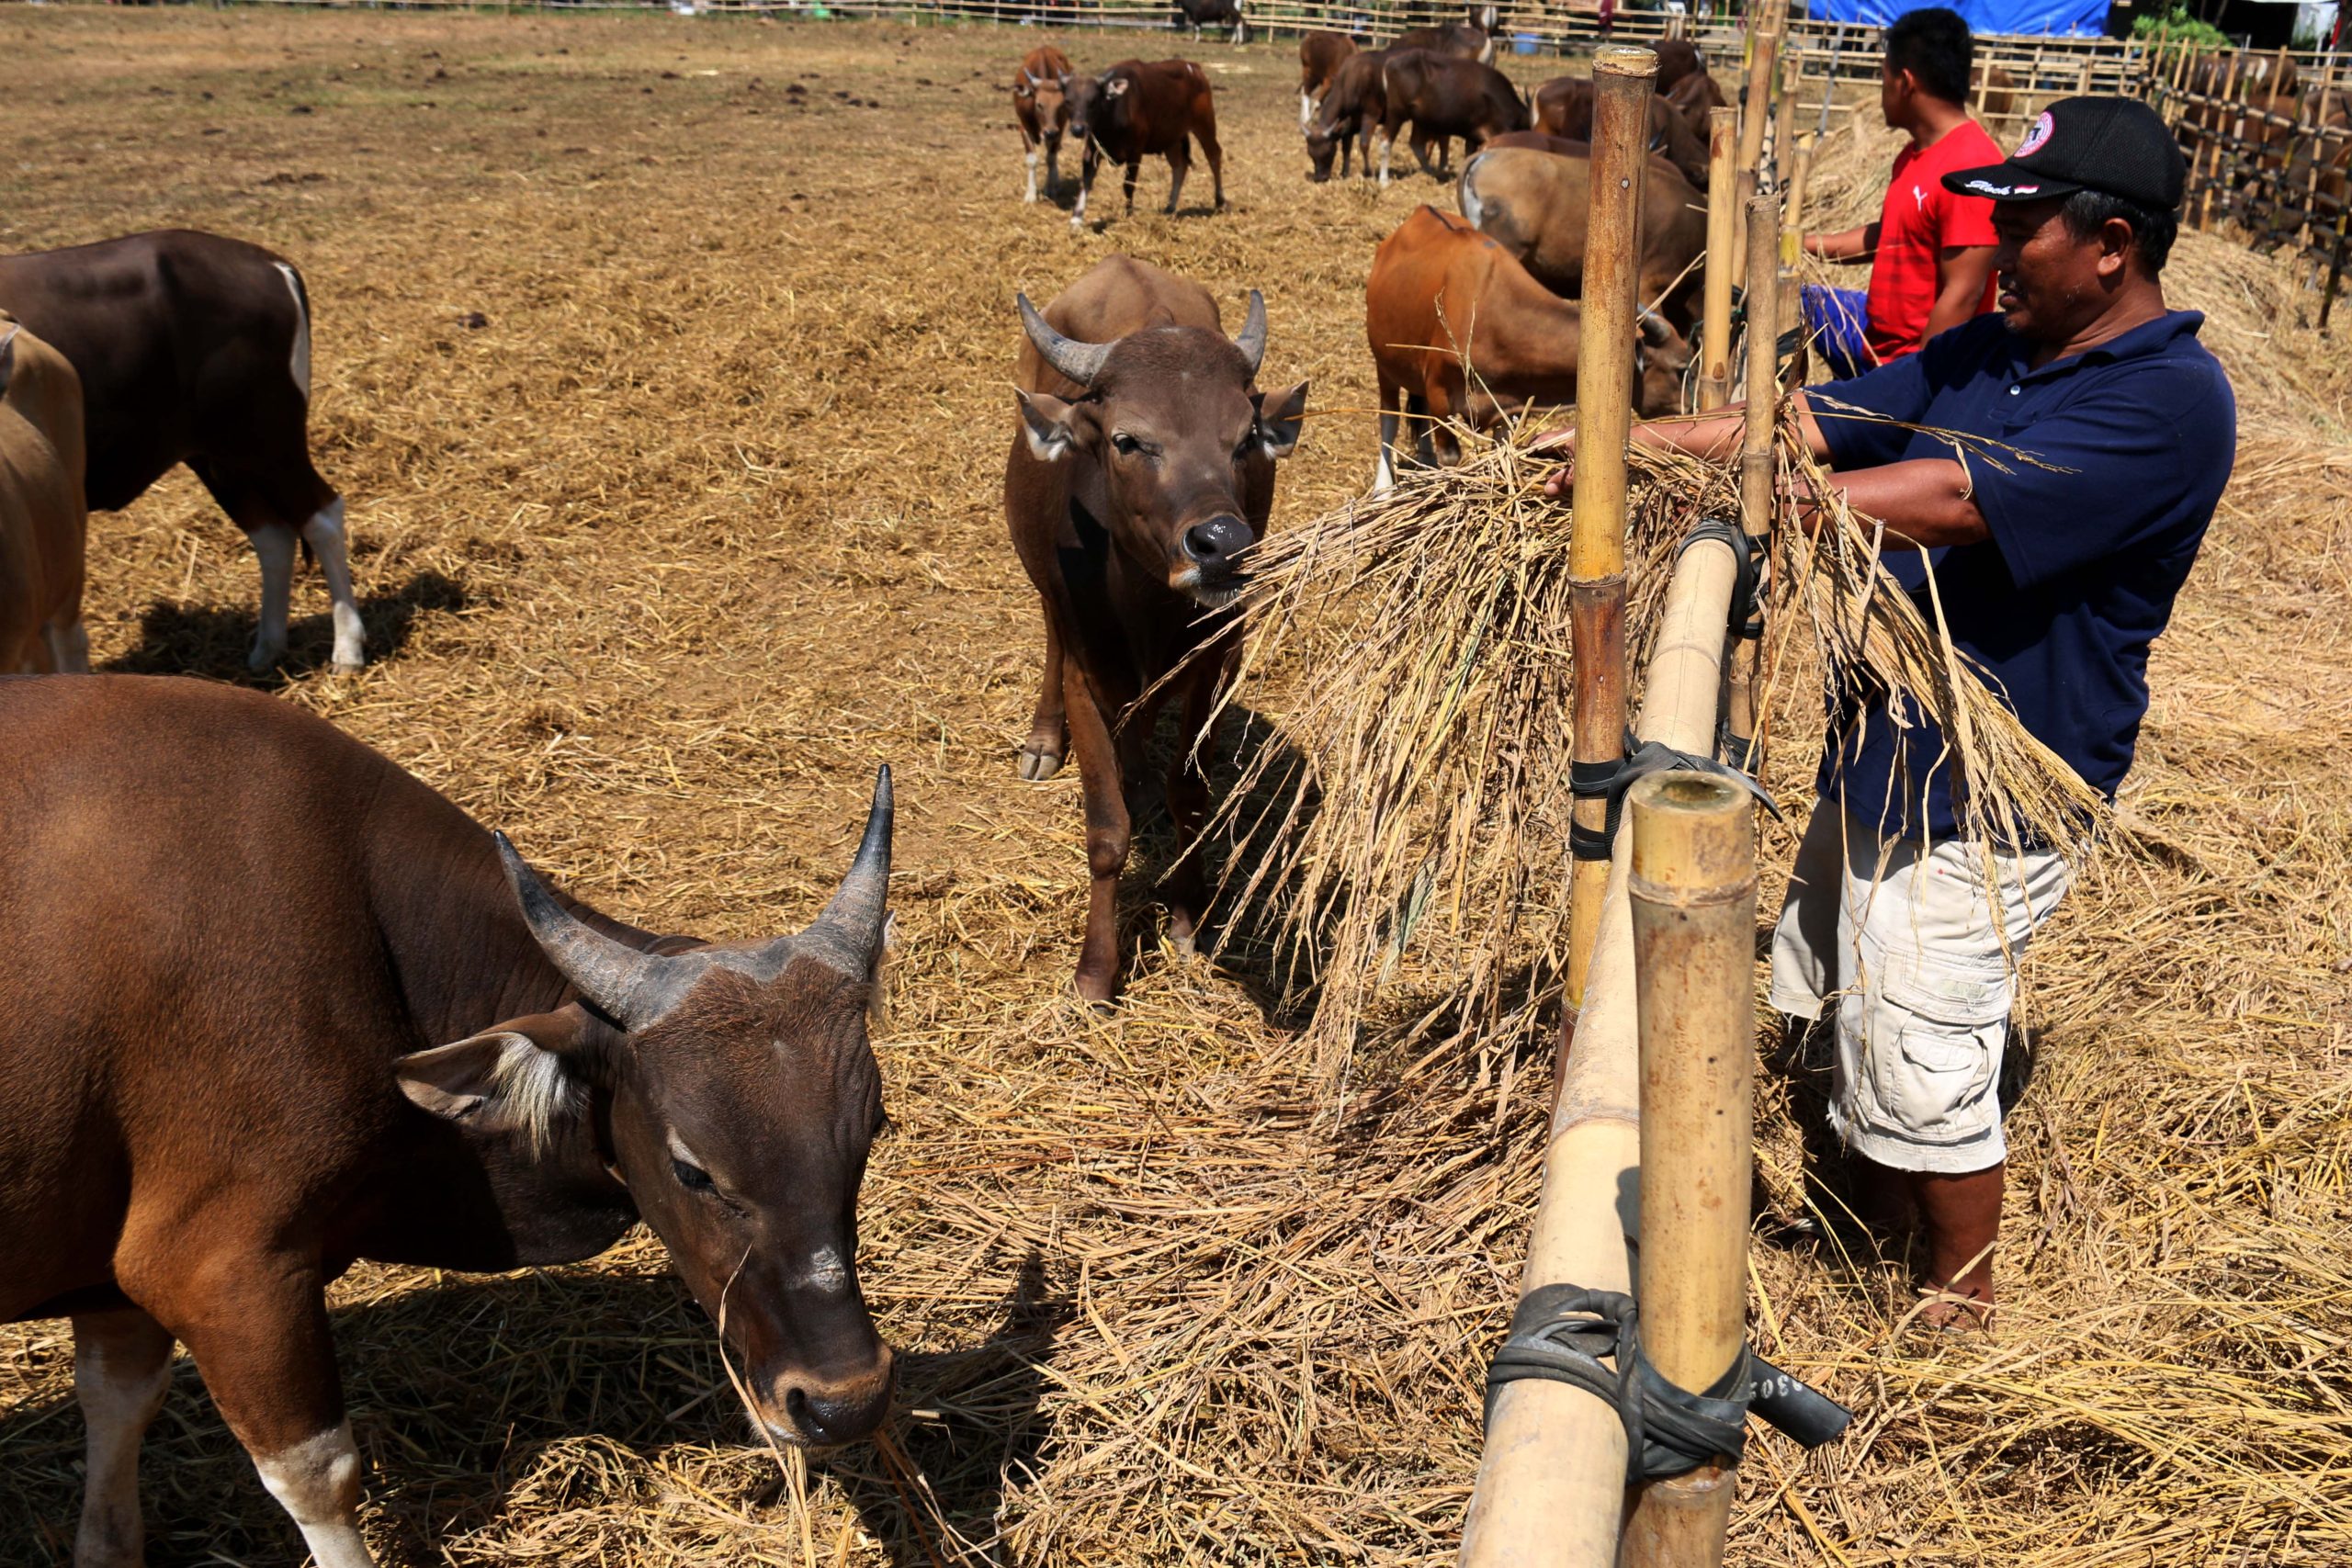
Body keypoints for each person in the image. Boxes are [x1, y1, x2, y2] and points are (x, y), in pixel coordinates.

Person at [1542, 97, 2236, 1327]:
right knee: (1854, 985)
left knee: (1925, 1034)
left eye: (2023, 226)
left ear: (2113, 245)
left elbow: (1959, 497)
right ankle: (1866, 1211)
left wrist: (1771, 498)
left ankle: (1956, 1297)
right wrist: (1627, 441)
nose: (1997, 249)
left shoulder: (2173, 401)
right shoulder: (1994, 353)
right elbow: (1809, 421)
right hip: (1890, 743)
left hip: (1996, 781)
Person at [1801, 7, 2002, 378]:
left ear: (1905, 82)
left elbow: (1963, 293)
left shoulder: (1972, 166)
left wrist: (1911, 389)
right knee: (1796, 301)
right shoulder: (1911, 156)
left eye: (1883, 77)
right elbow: (1887, 237)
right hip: (1874, 338)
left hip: (1908, 364)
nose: (1881, 91)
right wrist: (1800, 243)